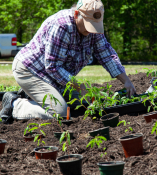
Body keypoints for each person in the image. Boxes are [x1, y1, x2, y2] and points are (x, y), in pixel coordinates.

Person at [0, 0, 136, 124]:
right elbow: (52, 66)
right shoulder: (61, 26)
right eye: (88, 25)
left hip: (54, 77)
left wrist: (126, 81)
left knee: (87, 102)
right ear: (77, 14)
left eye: (94, 26)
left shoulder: (94, 28)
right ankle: (14, 104)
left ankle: (30, 94)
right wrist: (79, 86)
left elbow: (105, 53)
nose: (90, 30)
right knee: (60, 113)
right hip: (31, 71)